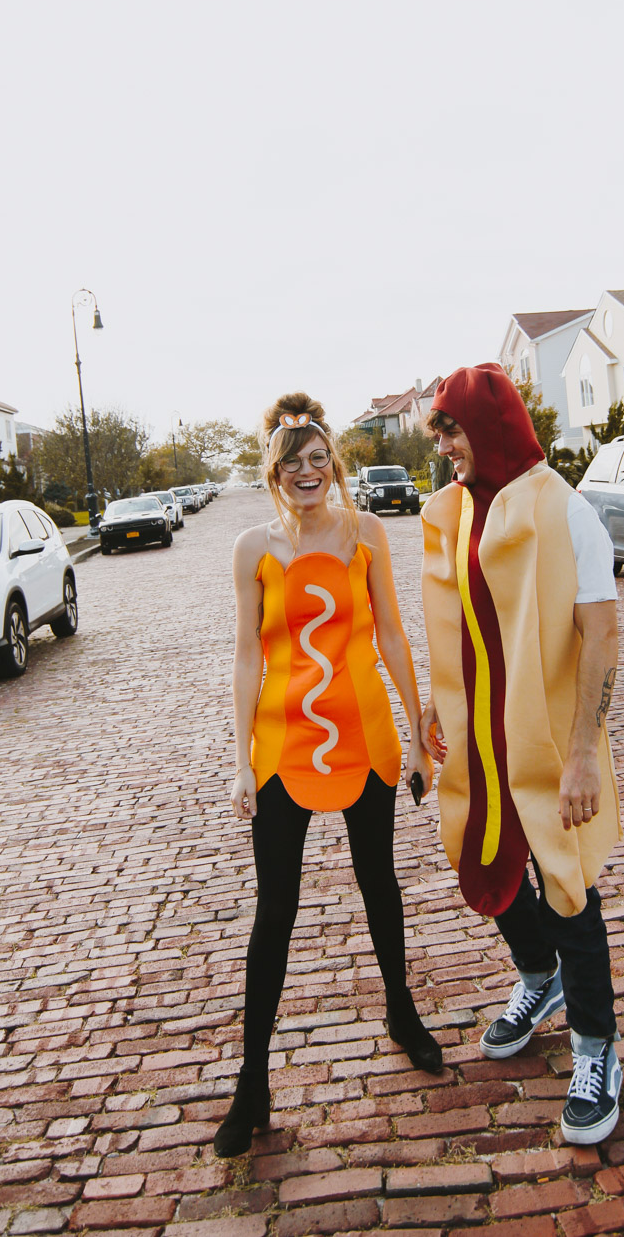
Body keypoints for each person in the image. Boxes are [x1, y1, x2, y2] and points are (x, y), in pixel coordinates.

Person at [216, 392, 442, 1159]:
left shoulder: (367, 534)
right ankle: (253, 1081)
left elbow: (390, 633)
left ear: (332, 466)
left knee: (379, 881)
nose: (308, 472)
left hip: (364, 736)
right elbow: (248, 656)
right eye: (293, 463)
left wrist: (417, 735)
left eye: (319, 460)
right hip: (285, 745)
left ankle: (401, 1011)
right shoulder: (252, 548)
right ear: (274, 471)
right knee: (274, 910)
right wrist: (241, 758)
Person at [419, 363, 623, 1145]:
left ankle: (596, 1045)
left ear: (492, 425)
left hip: (545, 737)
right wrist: (437, 703)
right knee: (481, 859)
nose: (442, 448)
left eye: (451, 429)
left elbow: (601, 636)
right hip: (479, 736)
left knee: (565, 882)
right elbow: (461, 615)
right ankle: (539, 979)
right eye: (438, 432)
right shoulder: (459, 511)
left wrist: (581, 756)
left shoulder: (566, 512)